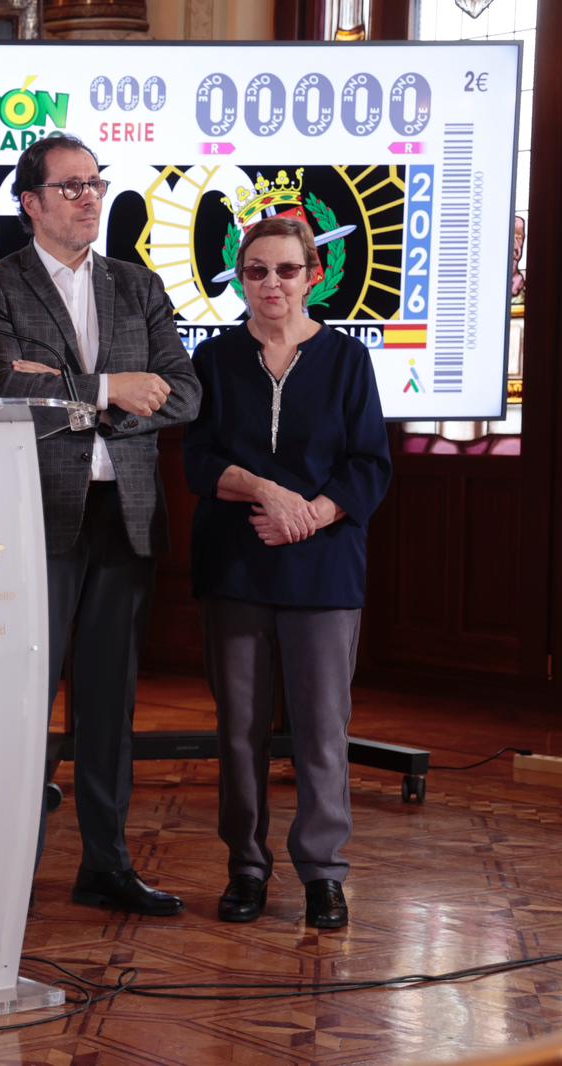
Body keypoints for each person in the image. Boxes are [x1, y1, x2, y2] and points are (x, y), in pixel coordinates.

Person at [0, 133, 200, 916]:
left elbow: (184, 391)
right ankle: (6, 873)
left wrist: (78, 392)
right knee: (22, 702)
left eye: (95, 183)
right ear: (30, 203)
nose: (89, 197)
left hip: (124, 518)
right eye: (71, 186)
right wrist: (108, 389)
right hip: (35, 518)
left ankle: (106, 866)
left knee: (108, 704)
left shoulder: (137, 283)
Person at [182, 216, 390, 929]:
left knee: (322, 731)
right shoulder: (213, 358)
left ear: (313, 276)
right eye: (257, 271)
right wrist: (266, 492)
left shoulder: (347, 359)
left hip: (324, 571)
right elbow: (198, 461)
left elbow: (370, 464)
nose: (272, 283)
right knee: (239, 730)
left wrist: (309, 515)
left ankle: (323, 874)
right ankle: (246, 868)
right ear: (241, 279)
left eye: (287, 270)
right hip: (235, 566)